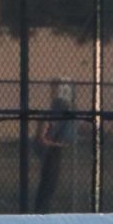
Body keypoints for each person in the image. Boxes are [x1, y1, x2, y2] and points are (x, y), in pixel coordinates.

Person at [34, 85, 77, 213]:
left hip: (54, 153)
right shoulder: (47, 119)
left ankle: (45, 206)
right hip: (47, 153)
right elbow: (41, 139)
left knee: (52, 182)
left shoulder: (60, 122)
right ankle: (41, 208)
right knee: (47, 182)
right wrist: (57, 145)